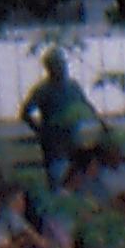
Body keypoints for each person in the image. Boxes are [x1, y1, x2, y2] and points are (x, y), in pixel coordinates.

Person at [17, 49, 95, 190]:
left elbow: (86, 105)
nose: (61, 67)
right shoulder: (42, 90)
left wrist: (99, 122)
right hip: (54, 147)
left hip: (74, 142)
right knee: (58, 185)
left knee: (79, 184)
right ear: (49, 68)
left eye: (62, 64)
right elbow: (25, 113)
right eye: (56, 65)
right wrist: (41, 131)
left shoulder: (73, 86)